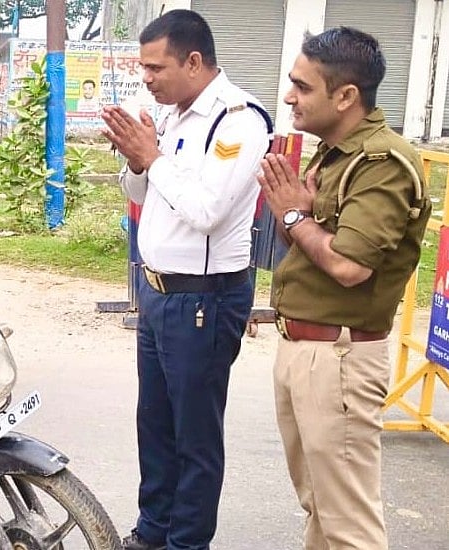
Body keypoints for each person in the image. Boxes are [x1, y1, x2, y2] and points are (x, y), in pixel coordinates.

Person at [100, 9, 270, 550]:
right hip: (157, 293)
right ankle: (153, 532)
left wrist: (153, 157)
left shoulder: (238, 122)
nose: (146, 79)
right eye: (143, 68)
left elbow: (206, 212)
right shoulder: (174, 115)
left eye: (156, 67)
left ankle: (187, 541)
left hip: (204, 298)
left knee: (193, 435)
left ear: (193, 61)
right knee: (155, 425)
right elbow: (141, 195)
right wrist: (137, 159)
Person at [258, 27, 430, 550]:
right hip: (306, 348)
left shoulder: (381, 163)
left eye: (302, 86)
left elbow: (351, 266)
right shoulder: (336, 153)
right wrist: (299, 216)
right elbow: (313, 236)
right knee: (322, 508)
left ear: (346, 95)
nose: (289, 96)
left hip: (339, 357)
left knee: (348, 524)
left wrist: (292, 213)